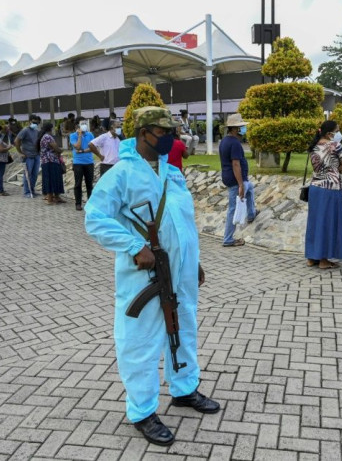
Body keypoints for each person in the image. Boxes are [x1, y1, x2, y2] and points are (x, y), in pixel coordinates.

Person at [84, 106, 219, 447]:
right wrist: (133, 245)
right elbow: (95, 217)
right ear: (143, 133)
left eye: (172, 132)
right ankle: (142, 411)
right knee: (140, 341)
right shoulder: (122, 173)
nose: (170, 138)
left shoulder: (171, 172)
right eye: (163, 132)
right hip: (144, 274)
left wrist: (194, 262)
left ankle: (184, 389)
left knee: (183, 328)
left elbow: (183, 223)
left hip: (181, 273)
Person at [305, 120, 342, 269]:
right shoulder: (335, 146)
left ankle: (312, 257)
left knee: (315, 223)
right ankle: (324, 260)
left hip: (315, 188)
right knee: (327, 223)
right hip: (331, 188)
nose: (338, 133)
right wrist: (338, 170)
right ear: (329, 133)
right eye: (336, 130)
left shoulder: (313, 146)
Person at [219, 113, 258, 247]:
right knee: (233, 208)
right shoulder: (234, 143)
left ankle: (251, 213)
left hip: (230, 178)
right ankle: (228, 239)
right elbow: (235, 164)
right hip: (236, 180)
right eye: (241, 127)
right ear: (234, 129)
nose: (243, 129)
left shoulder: (224, 141)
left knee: (250, 188)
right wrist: (240, 184)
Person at [70, 117, 95, 211]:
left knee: (89, 184)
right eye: (82, 123)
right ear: (77, 125)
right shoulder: (73, 135)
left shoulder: (90, 134)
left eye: (85, 123)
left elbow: (93, 147)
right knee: (78, 184)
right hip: (78, 163)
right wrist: (79, 136)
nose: (85, 125)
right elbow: (77, 146)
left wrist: (83, 151)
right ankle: (78, 203)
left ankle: (90, 203)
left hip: (89, 162)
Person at [39, 122, 65, 205]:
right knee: (50, 179)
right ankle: (50, 198)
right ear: (50, 128)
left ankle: (56, 197)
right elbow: (55, 147)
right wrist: (60, 150)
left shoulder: (45, 136)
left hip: (51, 160)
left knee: (56, 178)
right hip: (50, 161)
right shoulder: (47, 137)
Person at [15, 115, 41, 197]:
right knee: (27, 174)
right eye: (33, 122)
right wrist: (20, 152)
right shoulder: (25, 130)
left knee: (35, 174)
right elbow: (16, 141)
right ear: (29, 121)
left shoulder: (37, 131)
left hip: (36, 155)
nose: (35, 124)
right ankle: (27, 192)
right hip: (28, 156)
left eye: (37, 122)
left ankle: (32, 190)